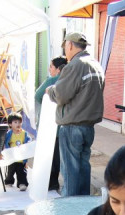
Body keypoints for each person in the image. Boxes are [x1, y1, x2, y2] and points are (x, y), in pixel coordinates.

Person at [46, 32, 105, 197]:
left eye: (65, 46)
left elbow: (61, 95)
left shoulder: (75, 65)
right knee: (83, 169)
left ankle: (70, 211)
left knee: (70, 171)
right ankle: (82, 208)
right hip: (88, 126)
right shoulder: (95, 64)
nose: (65, 49)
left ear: (70, 45)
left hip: (73, 126)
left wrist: (50, 90)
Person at [34, 56, 67, 191]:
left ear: (58, 69)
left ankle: (49, 182)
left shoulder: (52, 80)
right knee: (58, 157)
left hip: (50, 123)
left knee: (49, 155)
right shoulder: (68, 80)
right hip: (63, 123)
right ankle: (54, 181)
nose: (49, 69)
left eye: (51, 67)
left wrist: (49, 104)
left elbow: (38, 95)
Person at [2, 112, 32, 192]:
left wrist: (28, 144)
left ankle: (22, 183)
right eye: (15, 122)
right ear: (10, 124)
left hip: (21, 157)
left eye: (19, 122)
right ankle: (9, 181)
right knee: (10, 171)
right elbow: (5, 142)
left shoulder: (24, 133)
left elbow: (28, 140)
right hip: (12, 156)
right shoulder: (9, 134)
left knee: (21, 172)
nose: (18, 124)